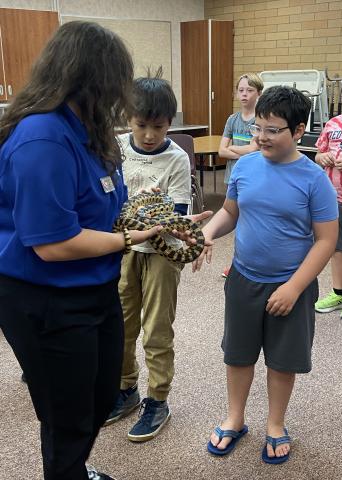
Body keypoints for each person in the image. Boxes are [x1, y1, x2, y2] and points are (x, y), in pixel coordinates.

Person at [0, 21, 164, 480]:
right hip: (45, 298)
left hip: (94, 286)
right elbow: (54, 244)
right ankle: (67, 473)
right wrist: (132, 239)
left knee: (97, 396)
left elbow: (106, 203)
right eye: (115, 81)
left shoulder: (89, 132)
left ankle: (74, 466)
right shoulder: (42, 138)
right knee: (66, 414)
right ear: (91, 77)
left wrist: (160, 223)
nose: (119, 94)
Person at [193, 86, 338, 464]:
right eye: (258, 127)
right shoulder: (246, 165)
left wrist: (293, 287)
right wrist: (207, 234)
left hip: (292, 283)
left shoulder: (314, 178)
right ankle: (235, 418)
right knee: (238, 355)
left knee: (282, 360)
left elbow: (326, 241)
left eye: (273, 130)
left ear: (298, 129)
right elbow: (230, 212)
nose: (261, 137)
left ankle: (275, 424)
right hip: (243, 278)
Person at [104, 68, 195, 441]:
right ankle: (126, 390)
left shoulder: (176, 159)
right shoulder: (117, 147)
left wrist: (143, 216)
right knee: (121, 325)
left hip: (162, 253)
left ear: (169, 124)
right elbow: (109, 199)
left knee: (156, 328)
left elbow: (172, 216)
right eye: (141, 125)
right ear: (128, 118)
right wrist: (140, 216)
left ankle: (158, 399)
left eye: (158, 127)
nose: (149, 135)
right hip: (122, 248)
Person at [314, 69, 342, 321]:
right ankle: (339, 292)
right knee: (337, 247)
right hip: (333, 197)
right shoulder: (333, 124)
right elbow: (318, 153)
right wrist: (323, 158)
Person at [218, 73, 263, 278]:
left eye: (250, 90)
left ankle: (249, 264)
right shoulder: (232, 119)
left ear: (259, 93)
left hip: (253, 177)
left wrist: (234, 150)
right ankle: (236, 264)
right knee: (234, 221)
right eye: (241, 90)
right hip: (233, 177)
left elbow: (254, 150)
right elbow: (221, 151)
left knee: (250, 223)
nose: (244, 94)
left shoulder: (260, 119)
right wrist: (242, 149)